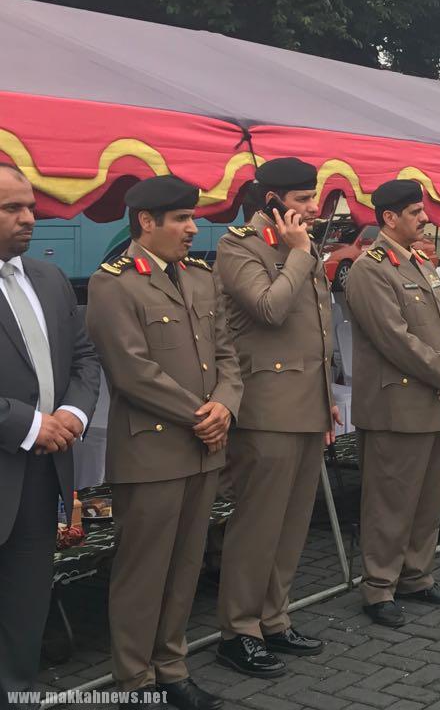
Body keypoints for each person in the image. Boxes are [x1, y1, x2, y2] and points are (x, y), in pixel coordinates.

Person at [87, 175, 242, 710]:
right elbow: (132, 372)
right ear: (146, 222)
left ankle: (172, 669)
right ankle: (135, 681)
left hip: (203, 447)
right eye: (181, 219)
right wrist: (203, 415)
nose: (192, 228)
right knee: (143, 571)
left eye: (191, 217)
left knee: (185, 566)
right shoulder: (114, 283)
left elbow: (227, 354)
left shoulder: (200, 277)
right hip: (152, 451)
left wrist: (226, 405)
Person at [212, 157, 338, 676]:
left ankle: (274, 617)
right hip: (266, 407)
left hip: (306, 403)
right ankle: (238, 630)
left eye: (313, 197)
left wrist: (326, 395)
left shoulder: (298, 245)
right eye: (302, 199)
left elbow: (319, 330)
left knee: (291, 524)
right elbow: (269, 308)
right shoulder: (239, 247)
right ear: (272, 202)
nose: (313, 207)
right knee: (257, 525)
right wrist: (300, 254)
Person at [346, 179, 440, 627]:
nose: (425, 218)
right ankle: (379, 587)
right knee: (390, 502)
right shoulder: (371, 269)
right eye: (415, 212)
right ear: (389, 217)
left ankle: (416, 575)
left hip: (435, 398)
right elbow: (394, 339)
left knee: (425, 499)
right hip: (397, 405)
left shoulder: (417, 261)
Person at [0, 164, 100, 704]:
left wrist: (74, 415)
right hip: (15, 453)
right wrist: (30, 424)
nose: (29, 219)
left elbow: (84, 357)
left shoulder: (49, 278)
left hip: (40, 479)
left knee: (25, 605)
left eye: (31, 207)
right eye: (11, 208)